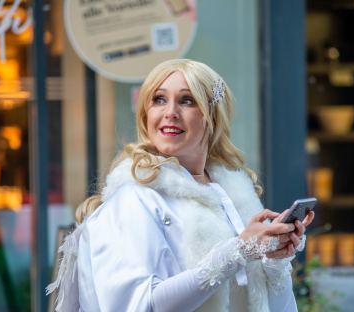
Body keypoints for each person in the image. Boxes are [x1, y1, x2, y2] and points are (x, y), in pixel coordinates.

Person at [47, 59, 314, 312]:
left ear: (212, 117)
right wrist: (238, 250)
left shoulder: (233, 197)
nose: (170, 113)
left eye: (187, 101)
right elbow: (142, 305)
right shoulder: (133, 200)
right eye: (159, 100)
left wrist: (275, 262)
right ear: (145, 115)